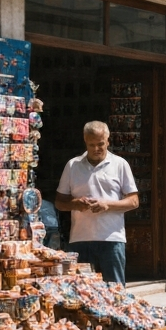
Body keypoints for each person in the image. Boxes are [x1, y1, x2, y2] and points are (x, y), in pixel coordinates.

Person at [55, 121, 139, 286]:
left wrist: (107, 205)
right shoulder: (73, 165)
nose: (96, 149)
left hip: (111, 239)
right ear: (85, 140)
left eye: (100, 144)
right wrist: (75, 203)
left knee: (115, 292)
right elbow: (59, 202)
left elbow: (134, 201)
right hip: (80, 239)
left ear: (108, 141)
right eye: (91, 144)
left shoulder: (120, 164)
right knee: (82, 291)